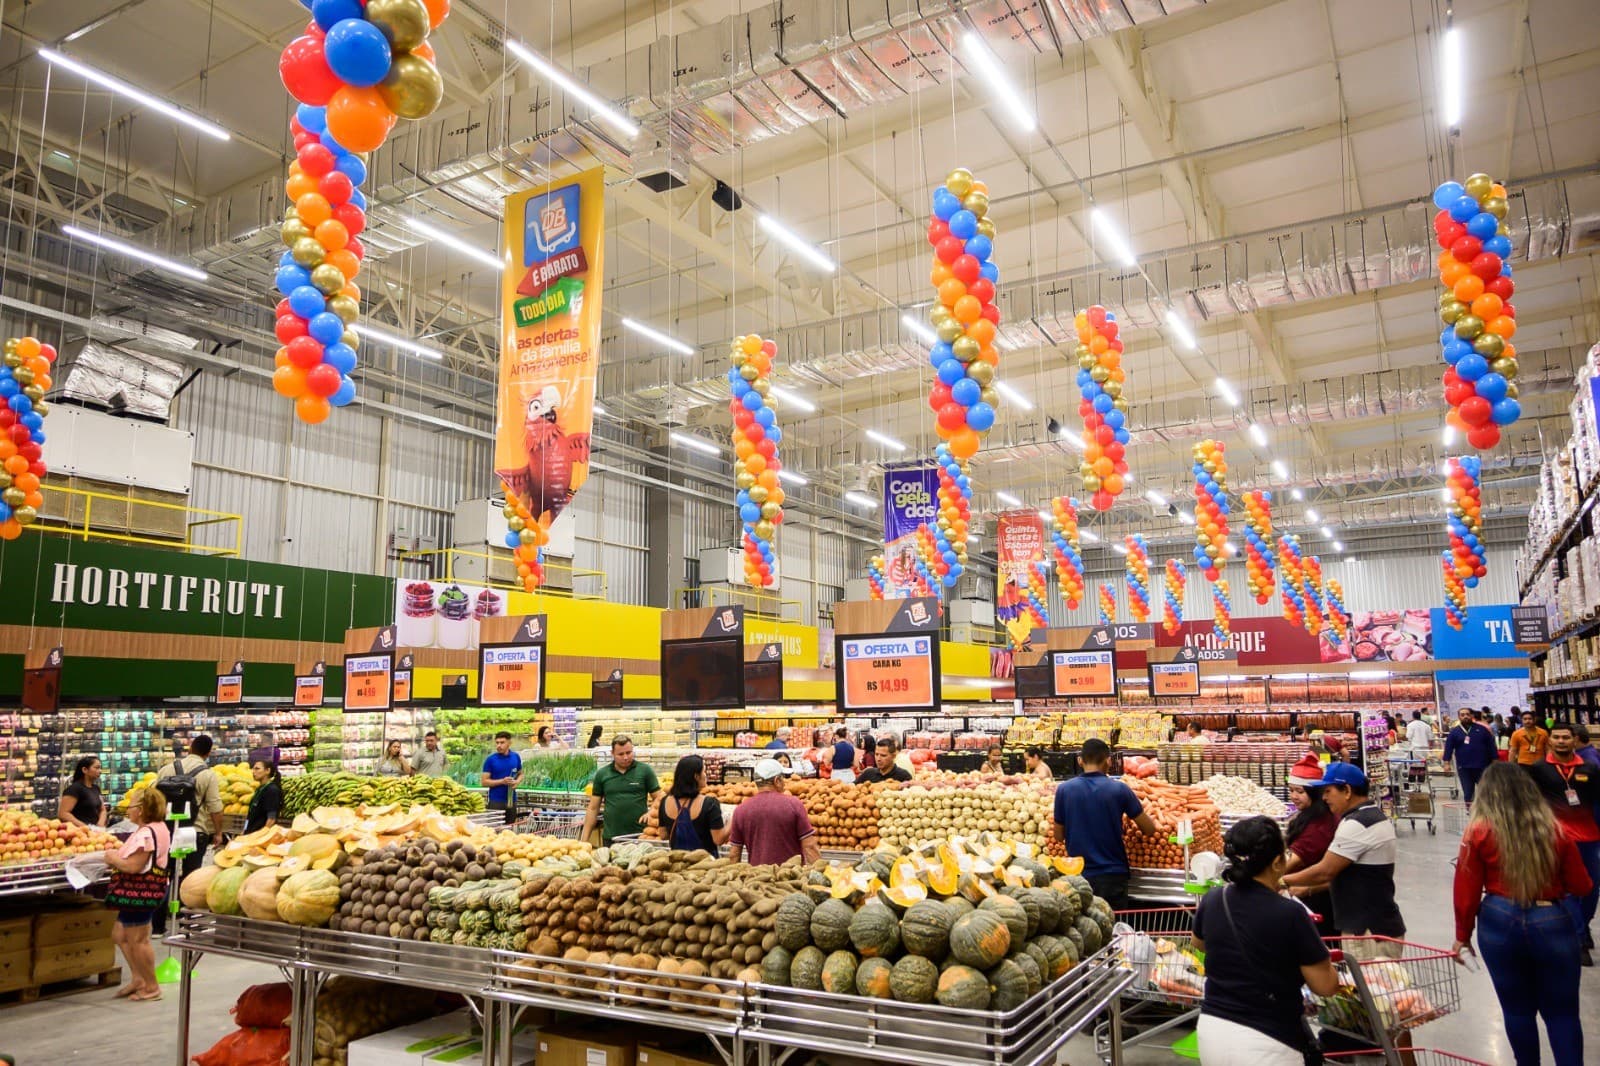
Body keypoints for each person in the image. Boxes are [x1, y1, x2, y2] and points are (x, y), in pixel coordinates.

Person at [1453, 762, 1592, 1066]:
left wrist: (1462, 937)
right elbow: (1582, 885)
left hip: (1498, 920)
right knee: (1563, 1013)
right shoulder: (1556, 830)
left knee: (1517, 1010)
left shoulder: (1478, 832)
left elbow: (1466, 890)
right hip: (1552, 919)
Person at [1193, 817, 1340, 1066]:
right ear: (1276, 863)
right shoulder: (1290, 913)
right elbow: (1325, 986)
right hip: (1268, 1041)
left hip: (1211, 1032)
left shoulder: (1214, 899)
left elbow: (1200, 945)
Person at [1280, 763, 1405, 957]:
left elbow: (1325, 871)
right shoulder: (1371, 816)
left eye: (1328, 791)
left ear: (1346, 791)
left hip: (1368, 931)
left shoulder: (1357, 824)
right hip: (1374, 925)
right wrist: (1306, 889)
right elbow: (1348, 875)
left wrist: (1280, 880)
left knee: (1369, 985)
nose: (1324, 798)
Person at [1051, 739, 1158, 910]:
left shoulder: (1064, 790)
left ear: (1080, 760)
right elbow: (1149, 829)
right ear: (1108, 760)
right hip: (1113, 874)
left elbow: (1058, 836)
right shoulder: (1120, 790)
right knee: (1115, 930)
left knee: (1086, 929)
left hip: (1077, 875)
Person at [1529, 721, 1600, 965]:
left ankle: (1583, 925)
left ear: (1574, 740)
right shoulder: (1539, 769)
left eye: (1565, 738)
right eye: (1557, 737)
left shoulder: (1590, 769)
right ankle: (1578, 938)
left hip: (1589, 838)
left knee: (1590, 889)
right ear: (1549, 740)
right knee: (1566, 889)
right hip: (1555, 839)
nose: (1561, 741)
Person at [104, 788, 171, 1002]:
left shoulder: (146, 833)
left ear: (141, 810)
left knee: (138, 940)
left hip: (139, 892)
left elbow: (133, 867)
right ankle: (138, 978)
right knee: (120, 935)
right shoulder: (158, 827)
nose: (128, 811)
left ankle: (152, 987)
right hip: (140, 892)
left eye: (131, 807)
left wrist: (112, 858)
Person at [154, 735, 222, 936]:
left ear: (189, 748)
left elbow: (154, 799)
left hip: (167, 831)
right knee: (190, 880)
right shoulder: (208, 775)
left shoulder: (166, 769)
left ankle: (157, 926)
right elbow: (215, 807)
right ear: (208, 753)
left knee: (164, 876)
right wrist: (218, 832)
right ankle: (186, 925)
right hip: (195, 832)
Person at [1282, 755, 1339, 936]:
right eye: (1291, 790)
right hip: (1309, 895)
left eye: (1300, 791)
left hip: (1315, 901)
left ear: (1315, 793)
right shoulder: (1309, 816)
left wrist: (1264, 875)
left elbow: (1292, 862)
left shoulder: (1319, 826)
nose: (1294, 797)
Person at [726, 759, 820, 866]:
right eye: (783, 778)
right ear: (777, 781)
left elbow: (734, 853)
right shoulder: (794, 804)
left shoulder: (741, 810)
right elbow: (810, 847)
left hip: (758, 877)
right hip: (792, 878)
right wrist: (822, 874)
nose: (785, 783)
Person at [583, 736, 662, 846]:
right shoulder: (602, 774)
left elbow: (660, 799)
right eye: (620, 754)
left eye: (629, 753)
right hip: (612, 837)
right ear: (612, 753)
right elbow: (593, 808)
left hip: (639, 836)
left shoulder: (644, 771)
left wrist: (650, 812)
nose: (625, 757)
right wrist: (583, 841)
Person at [658, 755, 727, 855]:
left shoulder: (664, 802)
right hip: (705, 867)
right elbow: (718, 839)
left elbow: (663, 835)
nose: (705, 775)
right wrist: (733, 822)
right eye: (704, 771)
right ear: (696, 776)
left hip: (678, 863)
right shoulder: (709, 804)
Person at [1442, 707, 1497, 803]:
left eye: (1467, 714)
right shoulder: (1454, 732)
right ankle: (1470, 811)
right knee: (1468, 792)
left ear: (1472, 716)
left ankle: (1486, 812)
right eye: (1462, 715)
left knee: (1486, 792)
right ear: (1459, 717)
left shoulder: (1482, 730)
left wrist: (1495, 761)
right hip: (1464, 767)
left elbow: (1491, 745)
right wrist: (1446, 763)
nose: (1465, 717)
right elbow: (1448, 748)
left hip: (1482, 766)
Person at [480, 732, 523, 824]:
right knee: (494, 829)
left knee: (510, 828)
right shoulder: (491, 760)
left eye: (502, 742)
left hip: (511, 801)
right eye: (497, 743)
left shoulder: (515, 757)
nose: (499, 745)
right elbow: (484, 782)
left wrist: (517, 782)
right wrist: (502, 781)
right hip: (496, 801)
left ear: (509, 743)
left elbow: (521, 773)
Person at [58, 756, 107, 829]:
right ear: (85, 770)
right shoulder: (74, 789)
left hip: (95, 833)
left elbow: (102, 809)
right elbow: (63, 814)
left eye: (100, 768)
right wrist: (85, 827)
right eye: (96, 768)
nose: (100, 771)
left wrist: (100, 824)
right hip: (79, 834)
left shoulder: (96, 788)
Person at [243, 760, 283, 834]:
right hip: (250, 834)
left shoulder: (272, 790)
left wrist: (262, 835)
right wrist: (244, 830)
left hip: (259, 836)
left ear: (267, 770)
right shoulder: (260, 789)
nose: (253, 771)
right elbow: (249, 816)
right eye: (253, 768)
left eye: (257, 768)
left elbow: (271, 819)